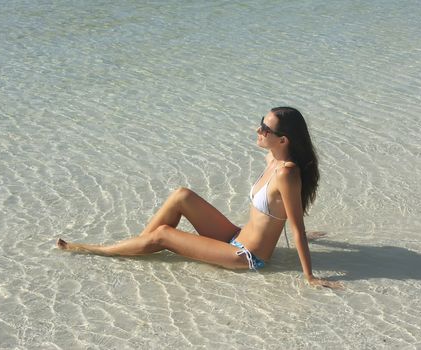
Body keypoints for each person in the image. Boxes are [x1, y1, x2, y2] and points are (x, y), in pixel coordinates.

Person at [57, 107, 342, 289]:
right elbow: (279, 212)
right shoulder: (273, 156)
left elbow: (296, 226)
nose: (258, 130)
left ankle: (98, 249)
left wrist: (310, 276)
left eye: (266, 129)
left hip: (246, 255)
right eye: (260, 123)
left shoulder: (287, 173)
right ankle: (137, 245)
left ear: (283, 140)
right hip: (235, 235)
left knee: (165, 235)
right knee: (181, 196)